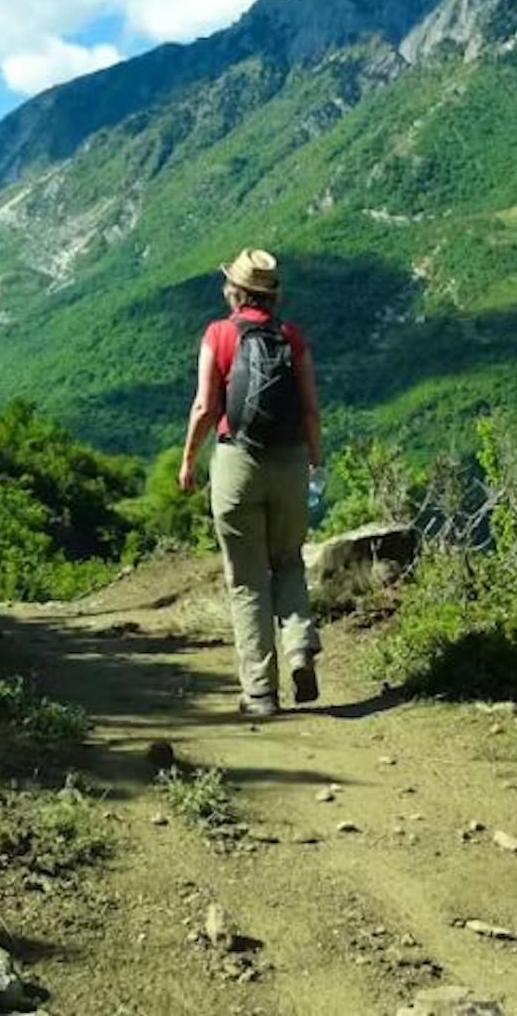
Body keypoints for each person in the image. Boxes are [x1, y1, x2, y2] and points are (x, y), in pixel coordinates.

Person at [179, 248, 324, 717]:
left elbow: (205, 407)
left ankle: (260, 692)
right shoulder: (291, 336)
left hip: (236, 463)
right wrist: (315, 462)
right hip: (289, 464)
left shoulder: (219, 334)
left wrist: (188, 460)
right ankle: (300, 649)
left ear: (234, 291)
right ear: (272, 294)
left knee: (246, 581)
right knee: (288, 563)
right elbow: (309, 409)